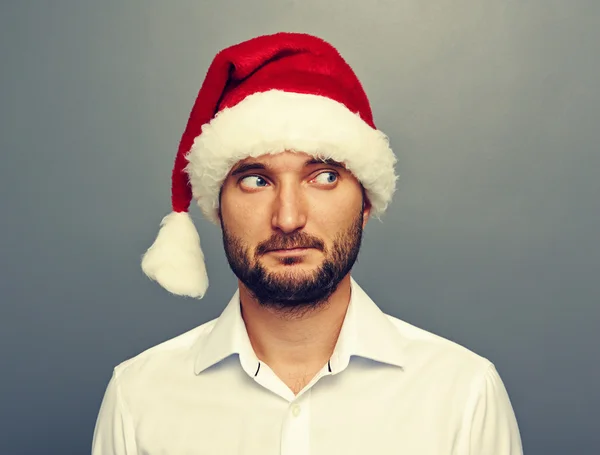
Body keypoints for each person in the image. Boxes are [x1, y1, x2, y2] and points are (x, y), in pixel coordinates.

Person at [92, 32, 523, 454]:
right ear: (218, 207)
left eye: (324, 177)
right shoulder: (138, 397)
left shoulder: (463, 394)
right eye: (256, 180)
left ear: (366, 203)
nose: (288, 218)